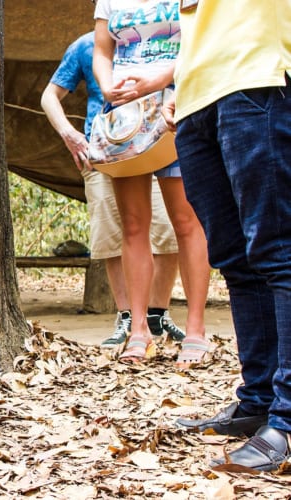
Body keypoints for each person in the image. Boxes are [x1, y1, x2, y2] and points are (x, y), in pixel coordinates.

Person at [163, 0, 291, 472]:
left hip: (257, 77)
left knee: (279, 251)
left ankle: (288, 421)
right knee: (236, 260)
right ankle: (258, 399)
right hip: (195, 100)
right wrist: (176, 83)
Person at [40, 31, 184, 349]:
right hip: (106, 150)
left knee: (169, 232)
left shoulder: (159, 33)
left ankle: (158, 312)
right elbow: (49, 96)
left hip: (157, 145)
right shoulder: (84, 46)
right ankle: (127, 317)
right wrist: (70, 134)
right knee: (111, 235)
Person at [92, 0, 211, 367]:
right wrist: (106, 85)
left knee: (186, 220)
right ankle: (139, 329)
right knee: (132, 223)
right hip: (126, 116)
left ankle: (195, 329)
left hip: (176, 105)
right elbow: (101, 49)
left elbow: (202, 39)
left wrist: (163, 79)